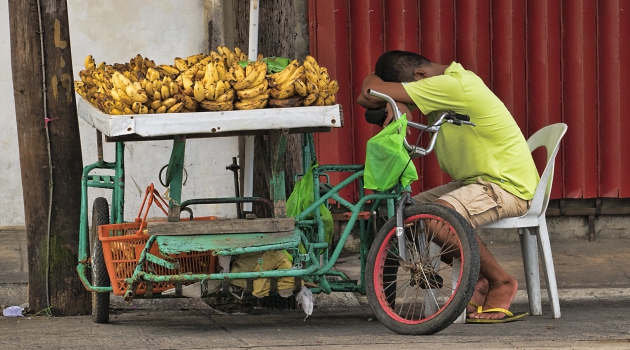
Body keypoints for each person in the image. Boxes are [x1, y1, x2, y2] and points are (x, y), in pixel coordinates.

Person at [357, 50, 539, 322]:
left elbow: (372, 89)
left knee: (435, 219)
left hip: (507, 186)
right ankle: (474, 278)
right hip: (477, 182)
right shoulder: (439, 84)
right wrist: (398, 100)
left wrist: (395, 97)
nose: (409, 95)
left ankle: (500, 281)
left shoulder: (453, 85)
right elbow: (367, 94)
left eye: (408, 88)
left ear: (420, 76)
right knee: (398, 212)